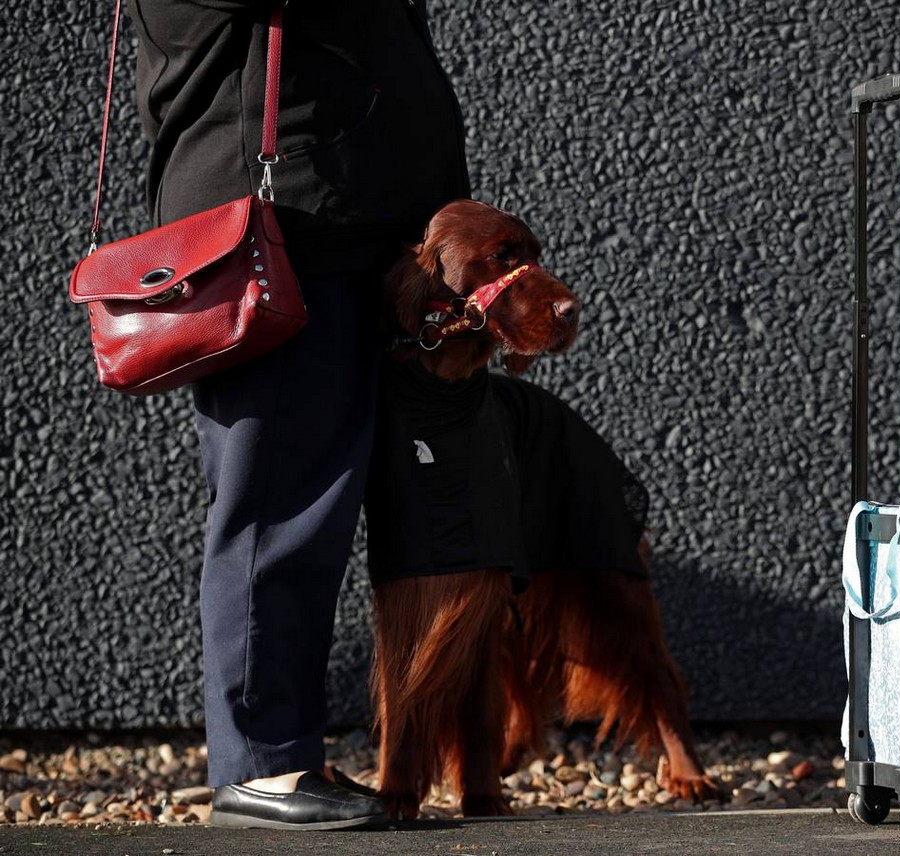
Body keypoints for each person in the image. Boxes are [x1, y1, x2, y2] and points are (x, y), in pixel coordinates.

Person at [127, 0, 470, 830]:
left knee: (349, 494)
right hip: (286, 226)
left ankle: (296, 754)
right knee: (279, 497)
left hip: (357, 217)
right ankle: (264, 763)